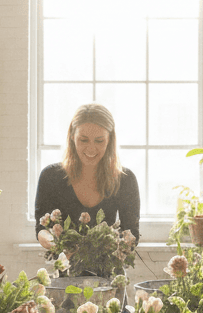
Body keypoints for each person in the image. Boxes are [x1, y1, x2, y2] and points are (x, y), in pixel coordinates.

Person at [34, 103, 140, 251]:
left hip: (108, 271)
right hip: (65, 267)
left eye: (99, 141)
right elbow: (41, 228)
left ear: (109, 139)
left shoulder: (125, 180)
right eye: (83, 140)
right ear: (72, 136)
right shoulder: (50, 176)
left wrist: (106, 251)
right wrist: (56, 244)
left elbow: (131, 233)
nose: (91, 148)